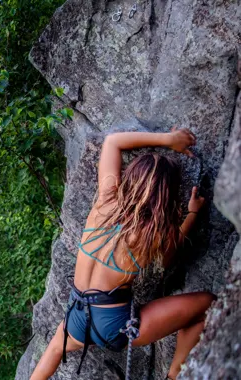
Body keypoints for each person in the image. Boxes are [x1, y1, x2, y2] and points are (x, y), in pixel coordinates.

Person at [30, 128, 215, 380]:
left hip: (76, 315)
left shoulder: (105, 202)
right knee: (206, 304)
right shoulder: (153, 234)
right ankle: (174, 375)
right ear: (165, 197)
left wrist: (168, 140)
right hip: (113, 324)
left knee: (54, 349)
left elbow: (113, 142)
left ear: (130, 178)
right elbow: (173, 253)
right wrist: (192, 214)